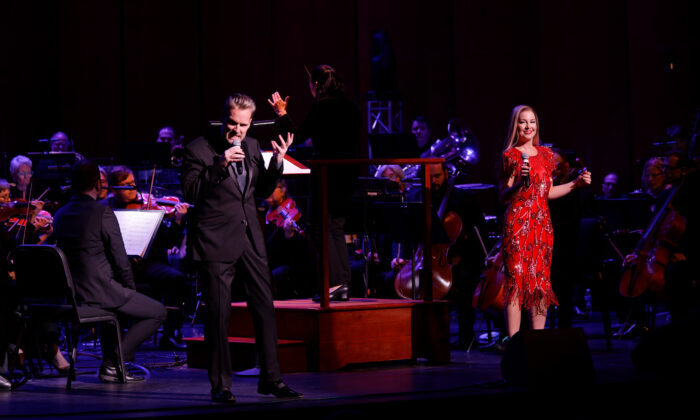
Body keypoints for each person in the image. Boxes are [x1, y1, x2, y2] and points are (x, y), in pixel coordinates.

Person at [182, 93, 300, 403]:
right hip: (216, 240)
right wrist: (220, 165)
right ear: (224, 118)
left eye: (244, 125)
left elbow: (259, 191)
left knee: (264, 307)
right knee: (218, 314)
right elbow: (192, 191)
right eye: (233, 124)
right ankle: (221, 386)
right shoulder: (199, 149)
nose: (238, 131)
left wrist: (276, 163)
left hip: (250, 238)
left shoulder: (250, 145)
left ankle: (272, 379)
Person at [53, 160, 167, 382]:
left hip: (73, 294)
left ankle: (112, 365)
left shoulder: (60, 214)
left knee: (113, 310)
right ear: (98, 184)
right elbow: (119, 257)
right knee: (158, 311)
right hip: (100, 290)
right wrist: (129, 288)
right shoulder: (102, 213)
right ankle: (114, 361)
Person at [269, 64, 362, 301]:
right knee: (335, 229)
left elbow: (296, 137)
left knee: (320, 231)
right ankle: (342, 285)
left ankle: (334, 285)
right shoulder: (351, 107)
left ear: (317, 85)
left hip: (326, 177)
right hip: (348, 176)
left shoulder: (322, 106)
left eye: (311, 85)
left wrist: (282, 114)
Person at [498, 105, 591, 338]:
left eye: (532, 121)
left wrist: (574, 184)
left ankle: (537, 344)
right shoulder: (510, 156)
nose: (528, 126)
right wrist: (521, 183)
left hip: (542, 225)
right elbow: (503, 195)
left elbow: (547, 191)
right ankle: (515, 345)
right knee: (517, 285)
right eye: (523, 122)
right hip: (518, 223)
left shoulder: (547, 156)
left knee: (540, 285)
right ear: (515, 125)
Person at [102, 165, 189, 350]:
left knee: (177, 278)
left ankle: (169, 334)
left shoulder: (148, 206)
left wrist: (178, 221)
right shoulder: (106, 210)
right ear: (114, 190)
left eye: (134, 183)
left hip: (150, 264)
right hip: (120, 267)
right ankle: (120, 335)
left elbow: (168, 242)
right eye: (127, 185)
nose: (133, 189)